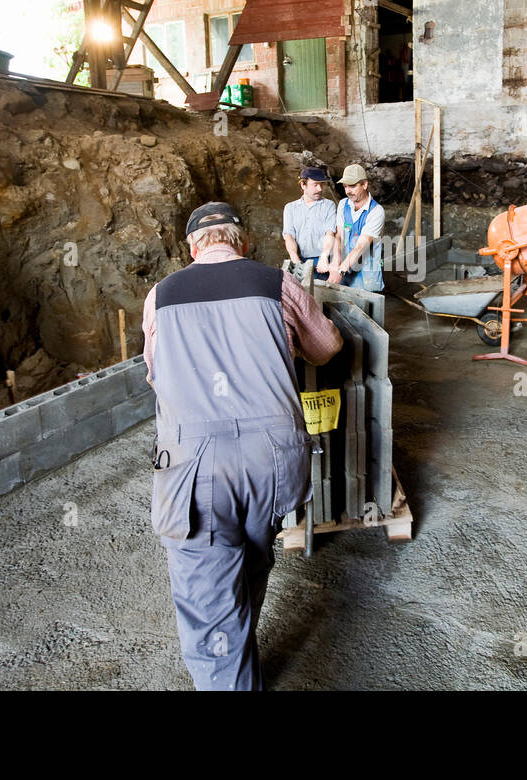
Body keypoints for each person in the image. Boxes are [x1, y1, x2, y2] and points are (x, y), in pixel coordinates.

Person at [141, 201, 342, 690]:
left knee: (210, 607)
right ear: (243, 242)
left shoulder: (160, 297)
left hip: (194, 471)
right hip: (273, 462)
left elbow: (155, 374)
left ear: (191, 248)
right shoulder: (277, 283)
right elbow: (327, 347)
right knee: (252, 558)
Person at [328, 164, 385, 292]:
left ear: (364, 185)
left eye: (352, 186)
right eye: (345, 186)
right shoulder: (343, 204)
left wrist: (340, 271)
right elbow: (338, 235)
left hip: (366, 272)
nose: (348, 191)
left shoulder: (376, 212)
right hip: (345, 266)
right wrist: (336, 260)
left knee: (366, 307)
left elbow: (360, 247)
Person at [282, 167, 337, 272]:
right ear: (303, 185)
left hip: (324, 259)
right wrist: (296, 261)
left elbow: (330, 233)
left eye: (321, 184)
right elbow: (289, 236)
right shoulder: (290, 208)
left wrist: (324, 257)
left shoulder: (329, 205)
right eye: (315, 185)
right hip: (301, 259)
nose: (320, 189)